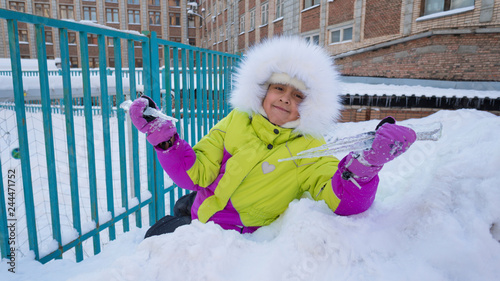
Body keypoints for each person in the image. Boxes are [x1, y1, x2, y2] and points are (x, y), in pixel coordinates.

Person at [129, 36, 417, 238]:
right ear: (264, 90)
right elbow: (195, 174)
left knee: (161, 238)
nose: (285, 99)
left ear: (311, 106)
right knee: (169, 219)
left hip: (232, 236)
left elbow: (343, 202)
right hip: (204, 208)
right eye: (279, 88)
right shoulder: (237, 120)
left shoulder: (309, 149)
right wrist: (166, 140)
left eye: (298, 95)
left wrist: (364, 168)